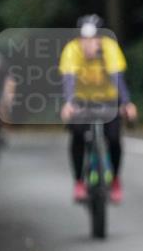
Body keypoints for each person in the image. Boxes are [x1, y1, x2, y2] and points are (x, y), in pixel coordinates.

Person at [58, 15, 137, 204]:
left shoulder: (110, 47)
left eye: (93, 39)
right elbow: (69, 79)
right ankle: (78, 182)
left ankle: (115, 179)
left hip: (108, 99)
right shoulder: (71, 49)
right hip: (81, 100)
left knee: (114, 139)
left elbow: (117, 77)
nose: (88, 44)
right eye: (84, 39)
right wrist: (69, 103)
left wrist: (126, 103)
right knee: (77, 135)